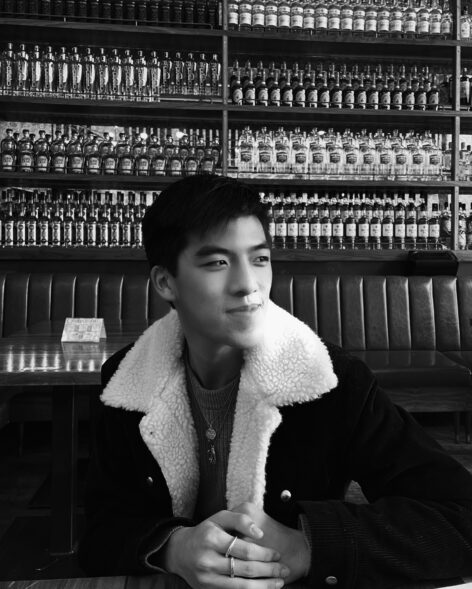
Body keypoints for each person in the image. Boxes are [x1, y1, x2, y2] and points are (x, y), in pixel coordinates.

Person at [79, 174, 472, 589]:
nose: (248, 285)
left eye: (260, 259)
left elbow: (461, 517)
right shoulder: (126, 383)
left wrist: (309, 544)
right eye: (217, 262)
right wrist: (172, 547)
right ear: (165, 282)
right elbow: (101, 530)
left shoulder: (330, 382)